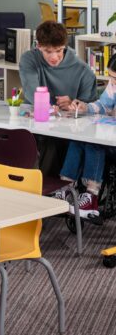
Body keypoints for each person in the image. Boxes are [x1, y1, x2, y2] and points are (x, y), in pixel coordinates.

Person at [0, 21, 97, 175]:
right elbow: (32, 93)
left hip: (61, 128)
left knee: (50, 140)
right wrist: (48, 107)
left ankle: (41, 184)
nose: (54, 57)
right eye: (48, 51)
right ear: (38, 46)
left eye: (58, 50)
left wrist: (74, 104)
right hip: (30, 120)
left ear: (65, 46)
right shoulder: (29, 59)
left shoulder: (83, 70)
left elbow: (90, 109)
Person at [52, 53, 116, 219]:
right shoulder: (113, 85)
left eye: (115, 78)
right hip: (111, 138)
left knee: (95, 143)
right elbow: (104, 105)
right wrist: (85, 107)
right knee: (79, 138)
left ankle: (91, 197)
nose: (113, 82)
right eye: (111, 77)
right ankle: (66, 187)